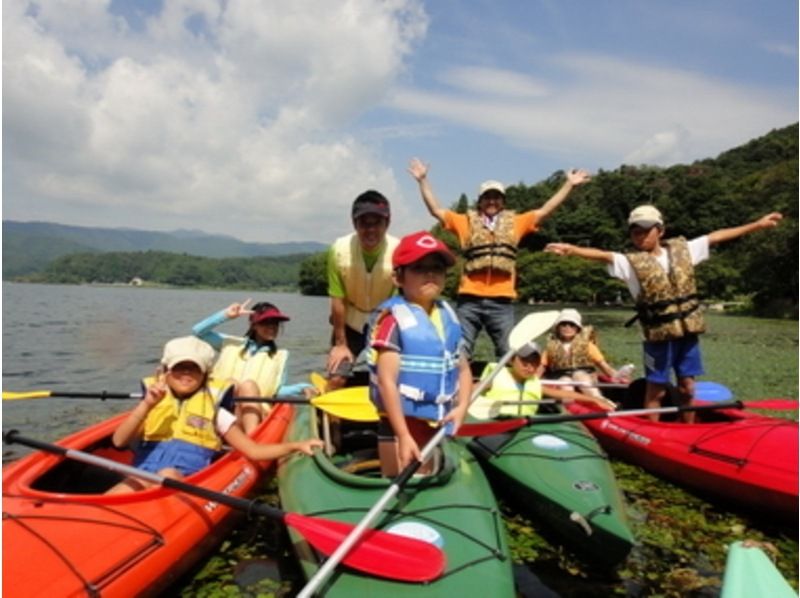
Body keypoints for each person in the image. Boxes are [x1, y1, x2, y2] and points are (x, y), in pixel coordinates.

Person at [545, 205, 783, 421]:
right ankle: (654, 429)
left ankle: (688, 429)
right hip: (657, 337)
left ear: (660, 231)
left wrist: (757, 225)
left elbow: (716, 236)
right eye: (635, 232)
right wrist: (571, 249)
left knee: (687, 388)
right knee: (656, 390)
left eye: (646, 230)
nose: (641, 236)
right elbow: (602, 255)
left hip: (687, 333)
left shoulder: (683, 251)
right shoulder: (628, 262)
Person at [408, 158, 591, 359]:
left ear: (503, 202)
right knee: (460, 350)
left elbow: (546, 210)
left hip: (502, 301)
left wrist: (569, 185)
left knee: (508, 351)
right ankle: (460, 378)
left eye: (496, 197)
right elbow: (436, 210)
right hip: (469, 299)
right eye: (487, 197)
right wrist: (423, 180)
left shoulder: (517, 222)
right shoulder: (464, 222)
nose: (492, 201)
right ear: (480, 201)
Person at [108, 336, 322, 493]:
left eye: (194, 368)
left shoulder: (216, 411)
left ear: (205, 375)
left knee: (166, 475)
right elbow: (119, 441)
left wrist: (296, 446)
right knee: (131, 485)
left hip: (186, 479)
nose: (186, 373)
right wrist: (147, 404)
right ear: (165, 371)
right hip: (142, 474)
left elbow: (254, 451)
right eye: (179, 367)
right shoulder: (151, 403)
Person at [367, 231, 472, 477]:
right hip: (399, 425)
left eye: (437, 268)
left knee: (427, 476)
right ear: (398, 277)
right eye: (419, 268)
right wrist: (404, 435)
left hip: (436, 422)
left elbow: (463, 369)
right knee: (402, 482)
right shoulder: (393, 320)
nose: (430, 274)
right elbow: (386, 382)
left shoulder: (448, 316)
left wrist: (462, 407)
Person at [192, 299, 316, 434]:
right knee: (231, 383)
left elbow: (277, 391)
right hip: (219, 411)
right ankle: (226, 433)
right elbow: (198, 331)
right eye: (266, 322)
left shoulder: (280, 356)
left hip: (256, 413)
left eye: (275, 323)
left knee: (248, 386)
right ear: (254, 325)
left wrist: (302, 388)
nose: (272, 327)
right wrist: (226, 315)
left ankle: (251, 437)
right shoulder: (230, 343)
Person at [326, 190, 399, 389]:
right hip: (350, 321)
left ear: (387, 223)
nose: (371, 230)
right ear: (354, 223)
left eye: (377, 223)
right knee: (336, 378)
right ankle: (330, 406)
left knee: (391, 379)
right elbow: (337, 300)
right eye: (364, 223)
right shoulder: (338, 250)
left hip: (384, 320)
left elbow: (400, 300)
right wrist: (340, 344)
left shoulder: (399, 251)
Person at [470, 342, 616, 420]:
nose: (529, 368)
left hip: (525, 426)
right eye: (524, 363)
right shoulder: (494, 378)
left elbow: (564, 395)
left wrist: (594, 399)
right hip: (497, 422)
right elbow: (467, 392)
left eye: (534, 364)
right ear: (511, 360)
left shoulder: (534, 383)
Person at [539, 308, 627, 398]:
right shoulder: (551, 347)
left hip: (585, 376)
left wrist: (618, 376)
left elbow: (605, 367)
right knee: (565, 382)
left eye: (572, 325)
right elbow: (541, 368)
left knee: (579, 375)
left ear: (577, 328)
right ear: (558, 328)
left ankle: (599, 400)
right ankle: (569, 402)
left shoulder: (588, 346)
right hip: (561, 378)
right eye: (563, 324)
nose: (567, 327)